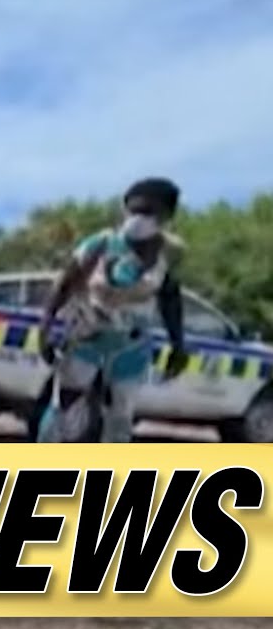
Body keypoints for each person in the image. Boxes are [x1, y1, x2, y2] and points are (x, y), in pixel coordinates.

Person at [35, 177, 189, 443]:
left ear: (165, 216)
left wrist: (178, 345)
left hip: (131, 346)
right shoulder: (102, 244)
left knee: (121, 415)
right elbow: (65, 283)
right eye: (134, 210)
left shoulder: (168, 254)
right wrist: (45, 326)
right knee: (65, 406)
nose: (139, 218)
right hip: (87, 338)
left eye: (148, 212)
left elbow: (170, 300)